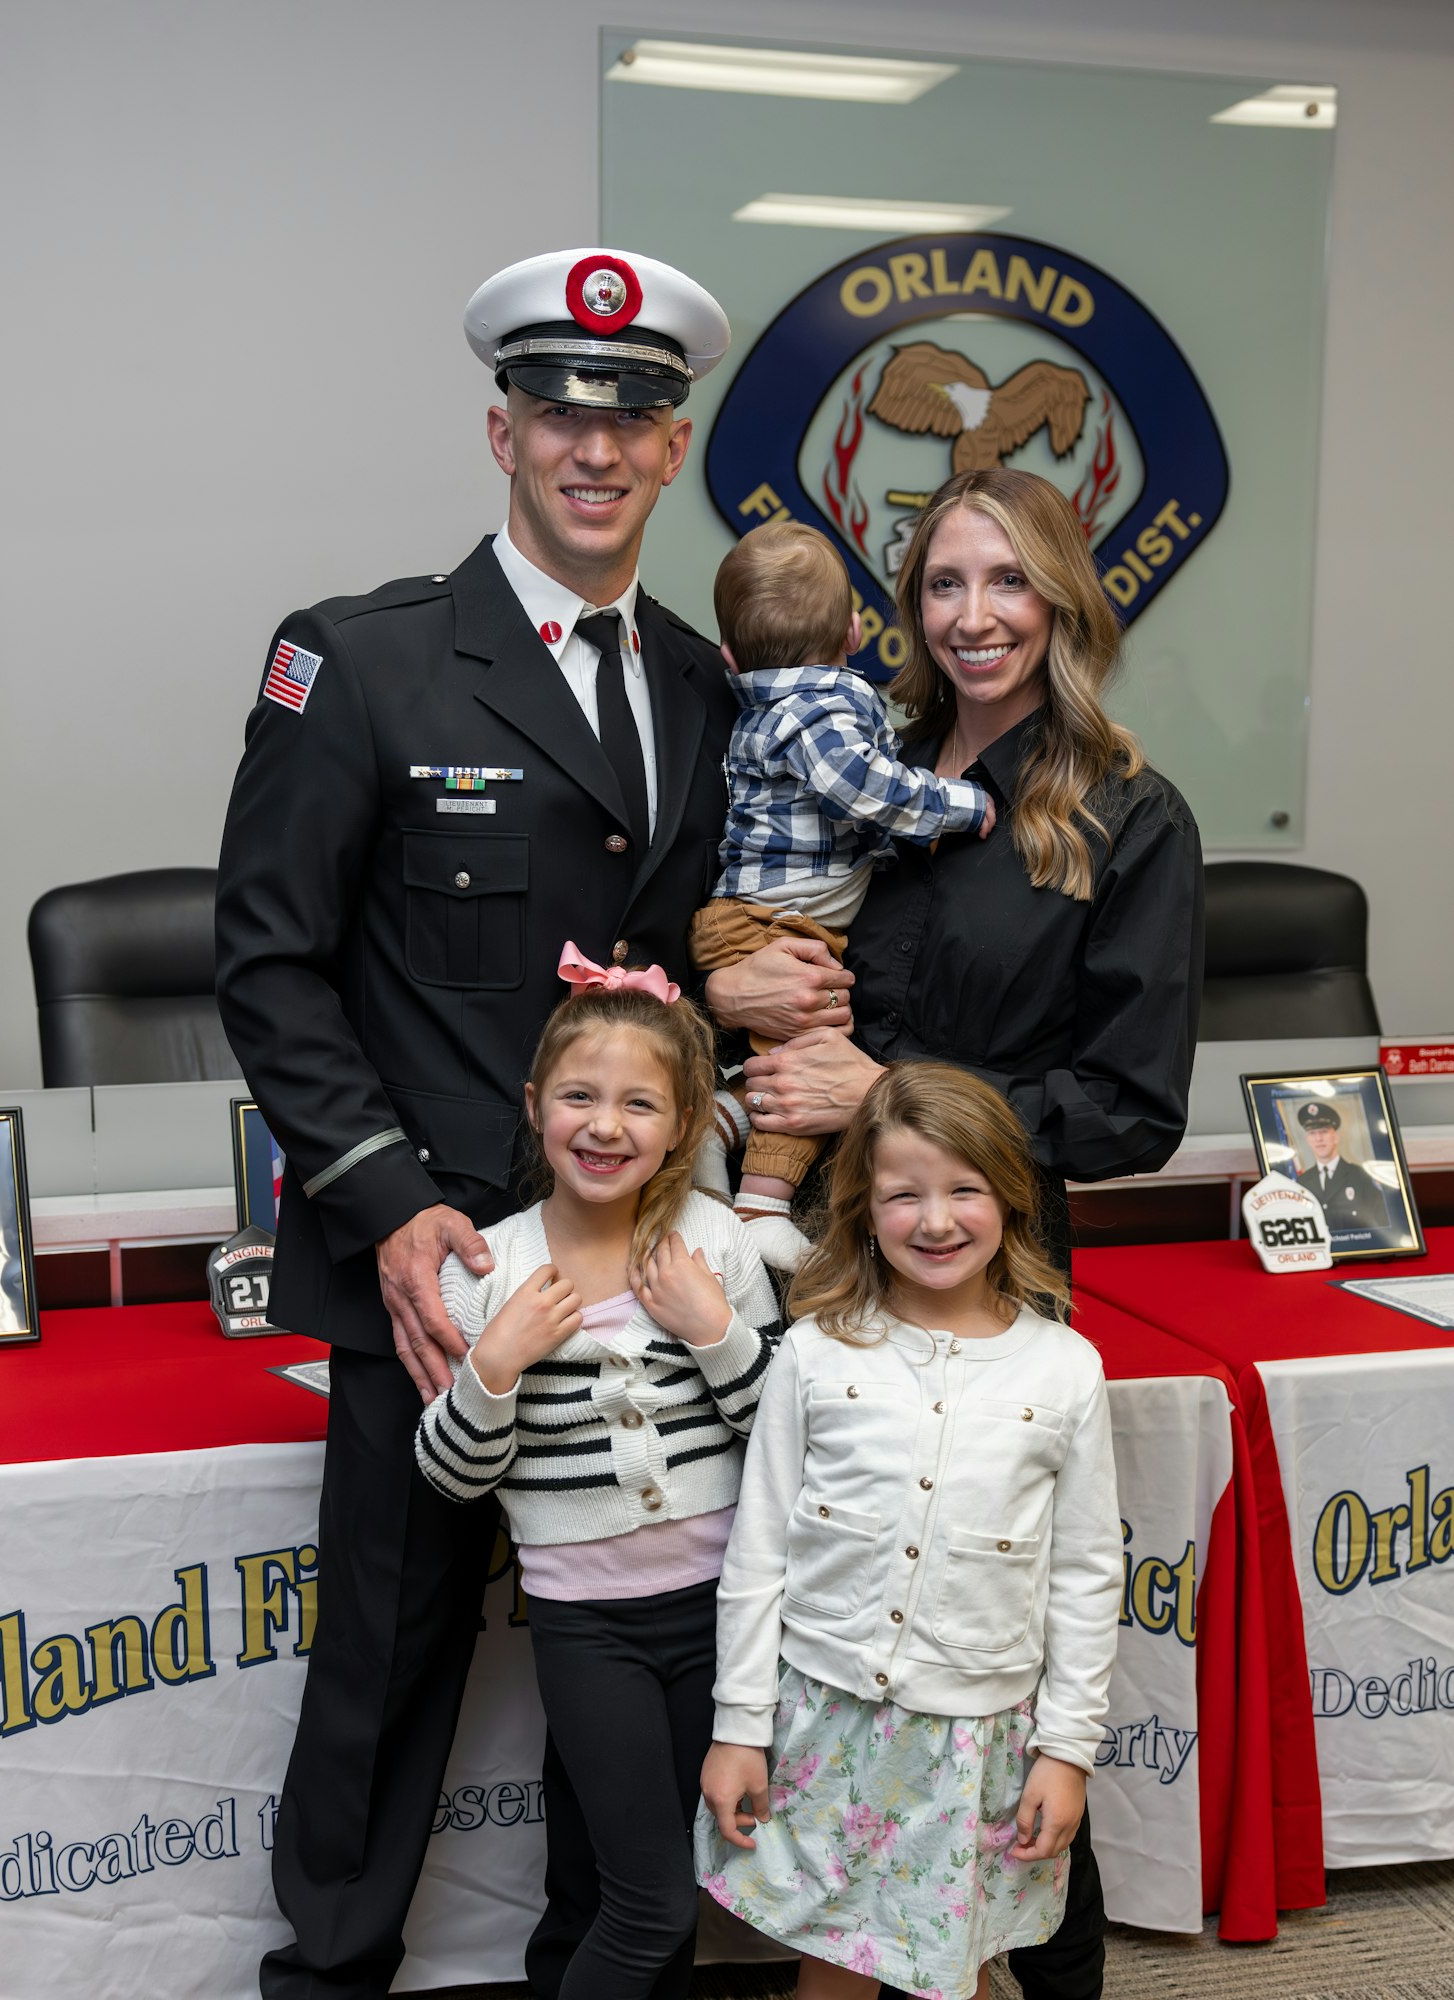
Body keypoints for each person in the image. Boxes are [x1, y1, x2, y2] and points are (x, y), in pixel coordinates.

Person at [214, 246, 841, 2000]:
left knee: (628, 1671)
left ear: (672, 447)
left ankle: (596, 1970)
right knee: (387, 1674)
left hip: (647, 1282)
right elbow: (269, 967)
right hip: (437, 1283)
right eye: (561, 408)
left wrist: (778, 1004)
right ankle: (327, 1980)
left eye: (631, 414)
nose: (594, 443)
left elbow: (679, 973)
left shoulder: (715, 692)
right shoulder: (363, 661)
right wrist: (392, 1208)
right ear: (500, 427)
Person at [736, 467, 1204, 1999]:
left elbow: (1128, 1108)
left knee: (985, 1637)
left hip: (990, 1277)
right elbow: (770, 932)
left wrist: (898, 1094)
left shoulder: (1127, 815)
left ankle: (1043, 1969)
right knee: (826, 1604)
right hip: (814, 1256)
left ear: (1064, 598)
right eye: (943, 584)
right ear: (908, 610)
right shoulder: (852, 764)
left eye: (1006, 582)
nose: (974, 615)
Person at [695, 1062, 1121, 1999]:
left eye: (965, 1189)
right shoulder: (812, 1353)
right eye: (904, 1195)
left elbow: (1087, 1574)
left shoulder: (1065, 1368)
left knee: (943, 1966)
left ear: (1011, 1199)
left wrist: (1068, 1750)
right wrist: (738, 1728)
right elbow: (759, 1549)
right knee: (832, 1959)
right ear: (862, 1207)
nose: (935, 1221)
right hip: (827, 1717)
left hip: (976, 1738)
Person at [416, 963, 780, 1997]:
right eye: (579, 1095)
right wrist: (495, 1365)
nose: (605, 1124)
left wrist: (714, 1333)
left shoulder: (715, 1241)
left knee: (666, 1877)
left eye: (638, 1103)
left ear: (684, 1121)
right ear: (535, 1109)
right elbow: (452, 1476)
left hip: (727, 1610)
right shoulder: (485, 1266)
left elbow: (787, 1439)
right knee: (649, 1900)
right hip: (591, 1625)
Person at [687, 520, 994, 1271]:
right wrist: (961, 805)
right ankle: (760, 1206)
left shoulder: (760, 704)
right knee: (816, 1053)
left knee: (800, 1054)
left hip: (756, 918)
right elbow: (860, 789)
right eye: (947, 583)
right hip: (774, 924)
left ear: (729, 655)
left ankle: (719, 1123)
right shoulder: (820, 708)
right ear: (857, 630)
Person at [1288, 1099, 1391, 1233]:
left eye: (1324, 1131)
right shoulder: (1302, 1182)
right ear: (1308, 1140)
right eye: (1312, 1133)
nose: (1318, 1138)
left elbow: (1381, 1223)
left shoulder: (1361, 1176)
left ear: (1336, 1137)